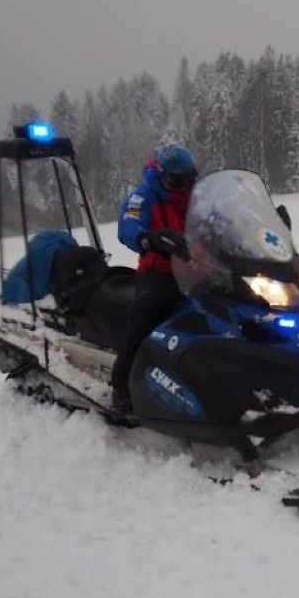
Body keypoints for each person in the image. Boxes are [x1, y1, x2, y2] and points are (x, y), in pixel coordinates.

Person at [110, 144, 198, 415]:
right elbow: (128, 226)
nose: (182, 187)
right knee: (149, 309)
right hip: (159, 269)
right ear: (160, 175)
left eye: (187, 180)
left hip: (198, 267)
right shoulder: (143, 197)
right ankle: (121, 384)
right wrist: (147, 238)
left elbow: (221, 215)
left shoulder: (195, 196)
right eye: (175, 181)